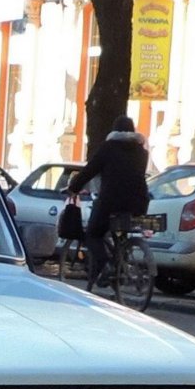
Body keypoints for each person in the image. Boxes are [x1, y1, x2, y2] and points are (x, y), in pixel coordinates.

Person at [68, 115, 150, 290]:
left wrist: (74, 186)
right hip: (138, 202)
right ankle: (120, 262)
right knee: (121, 231)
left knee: (93, 234)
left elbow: (90, 170)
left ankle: (105, 265)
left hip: (111, 200)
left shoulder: (108, 148)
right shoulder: (142, 152)